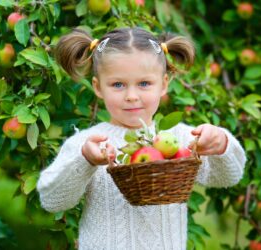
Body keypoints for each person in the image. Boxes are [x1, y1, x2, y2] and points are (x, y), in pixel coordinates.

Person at [37, 27, 246, 250]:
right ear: (98, 88)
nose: (132, 96)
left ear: (164, 84)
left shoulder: (180, 139)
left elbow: (228, 176)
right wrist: (84, 161)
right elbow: (52, 200)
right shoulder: (91, 144)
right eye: (118, 85)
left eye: (144, 84)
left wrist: (221, 143)